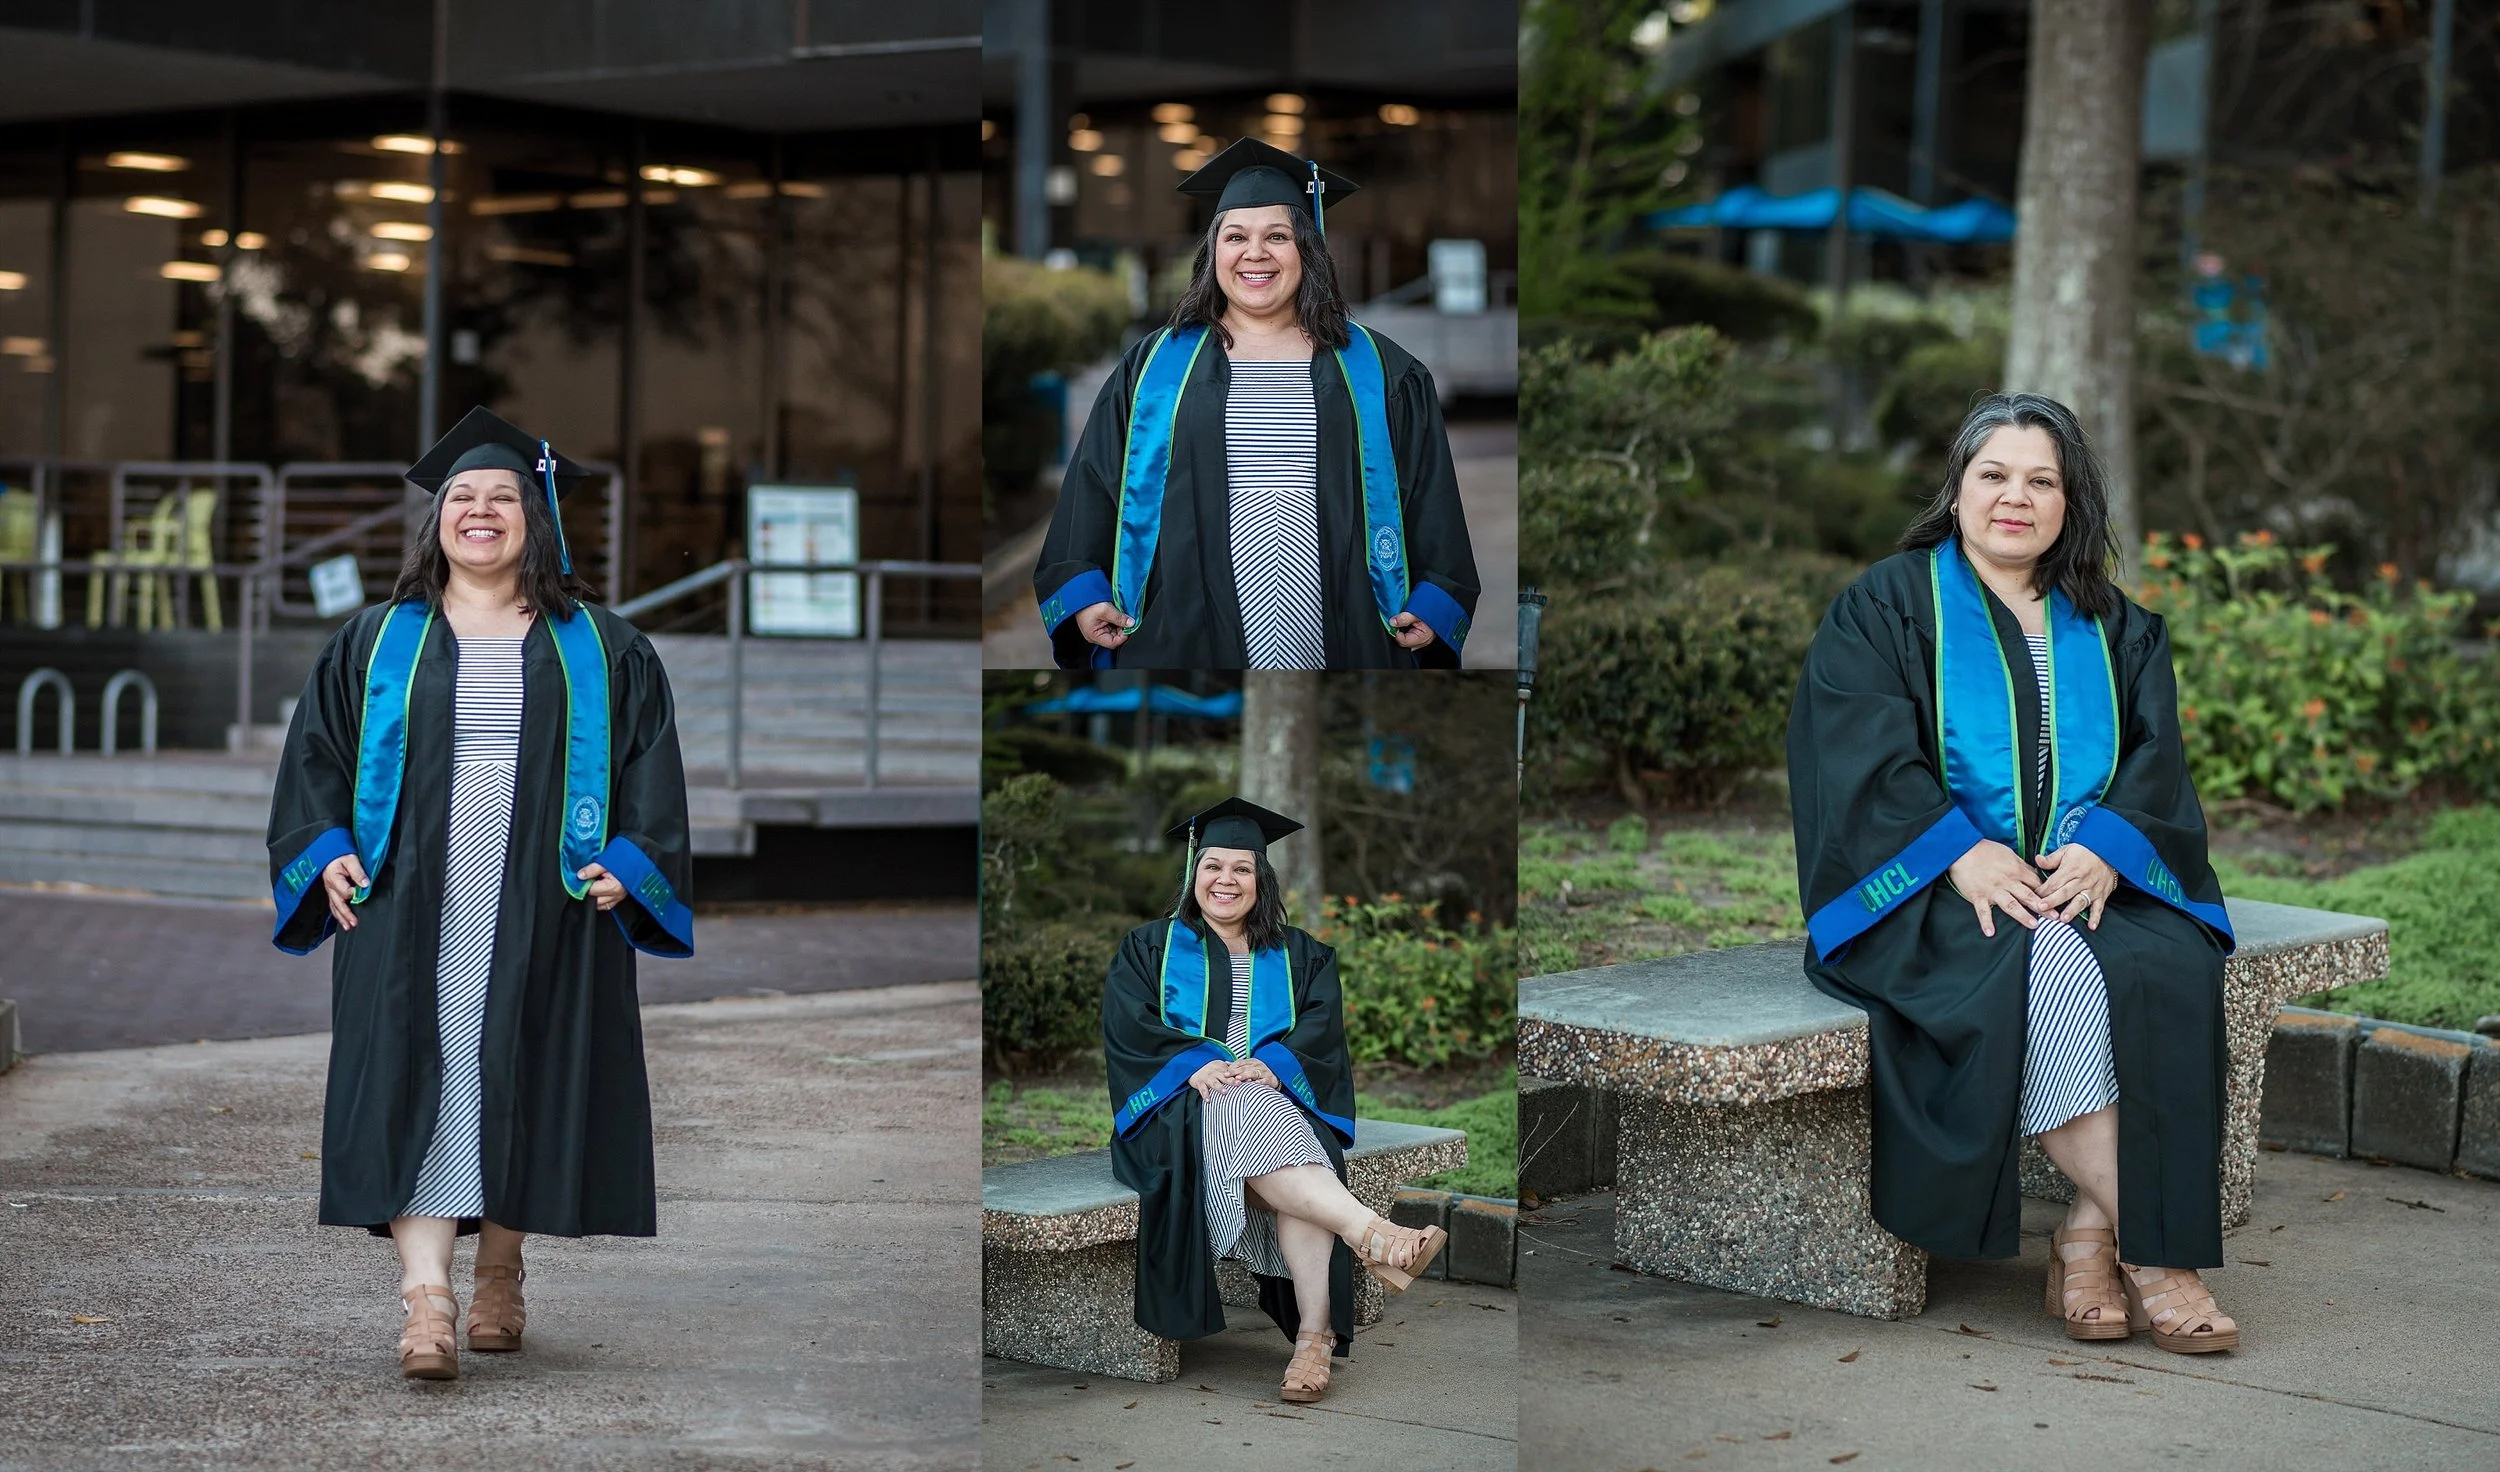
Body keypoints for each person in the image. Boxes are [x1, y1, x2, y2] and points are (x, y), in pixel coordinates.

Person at [1786, 393, 2241, 1354]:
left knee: (2170, 968)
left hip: (2085, 876)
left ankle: (2086, 1235)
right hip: (1924, 886)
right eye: (1994, 475)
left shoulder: (2116, 625)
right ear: (1957, 490)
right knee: (2050, 974)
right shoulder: (1889, 604)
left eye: (2042, 480)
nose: (2015, 497)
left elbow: (2157, 763)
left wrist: (2110, 846)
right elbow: (1856, 751)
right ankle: (2161, 1258)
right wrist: (1956, 850)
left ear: (2070, 504)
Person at [266, 406, 695, 1380]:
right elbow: (316, 758)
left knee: (524, 1070)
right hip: (407, 897)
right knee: (416, 1072)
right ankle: (428, 1298)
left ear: (536, 519)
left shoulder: (606, 646)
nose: (480, 509)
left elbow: (650, 771)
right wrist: (323, 848)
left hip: (546, 895)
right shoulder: (377, 641)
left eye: (503, 495)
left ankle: (501, 1267)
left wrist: (631, 861)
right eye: (461, 495)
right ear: (437, 522)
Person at [1034, 138, 1480, 671]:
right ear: (1213, 251)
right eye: (1236, 236)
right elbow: (1094, 490)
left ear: (1306, 250)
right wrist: (1083, 596)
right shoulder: (1151, 370)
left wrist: (1434, 604)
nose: (1255, 253)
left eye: (1278, 236)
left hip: (1348, 638)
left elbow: (1432, 499)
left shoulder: (1384, 372)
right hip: (1185, 639)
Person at [1102, 798, 1448, 1403]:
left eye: (1241, 869)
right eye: (1213, 866)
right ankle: (1372, 1240)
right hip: (1175, 1113)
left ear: (1262, 880)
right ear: (1194, 873)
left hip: (1271, 1106)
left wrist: (1278, 1064)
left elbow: (1321, 1035)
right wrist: (1195, 1065)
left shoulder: (1302, 955)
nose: (1225, 881)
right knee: (1261, 1122)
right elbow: (1127, 1030)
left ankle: (1312, 1341)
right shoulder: (1148, 948)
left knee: (1271, 1128)